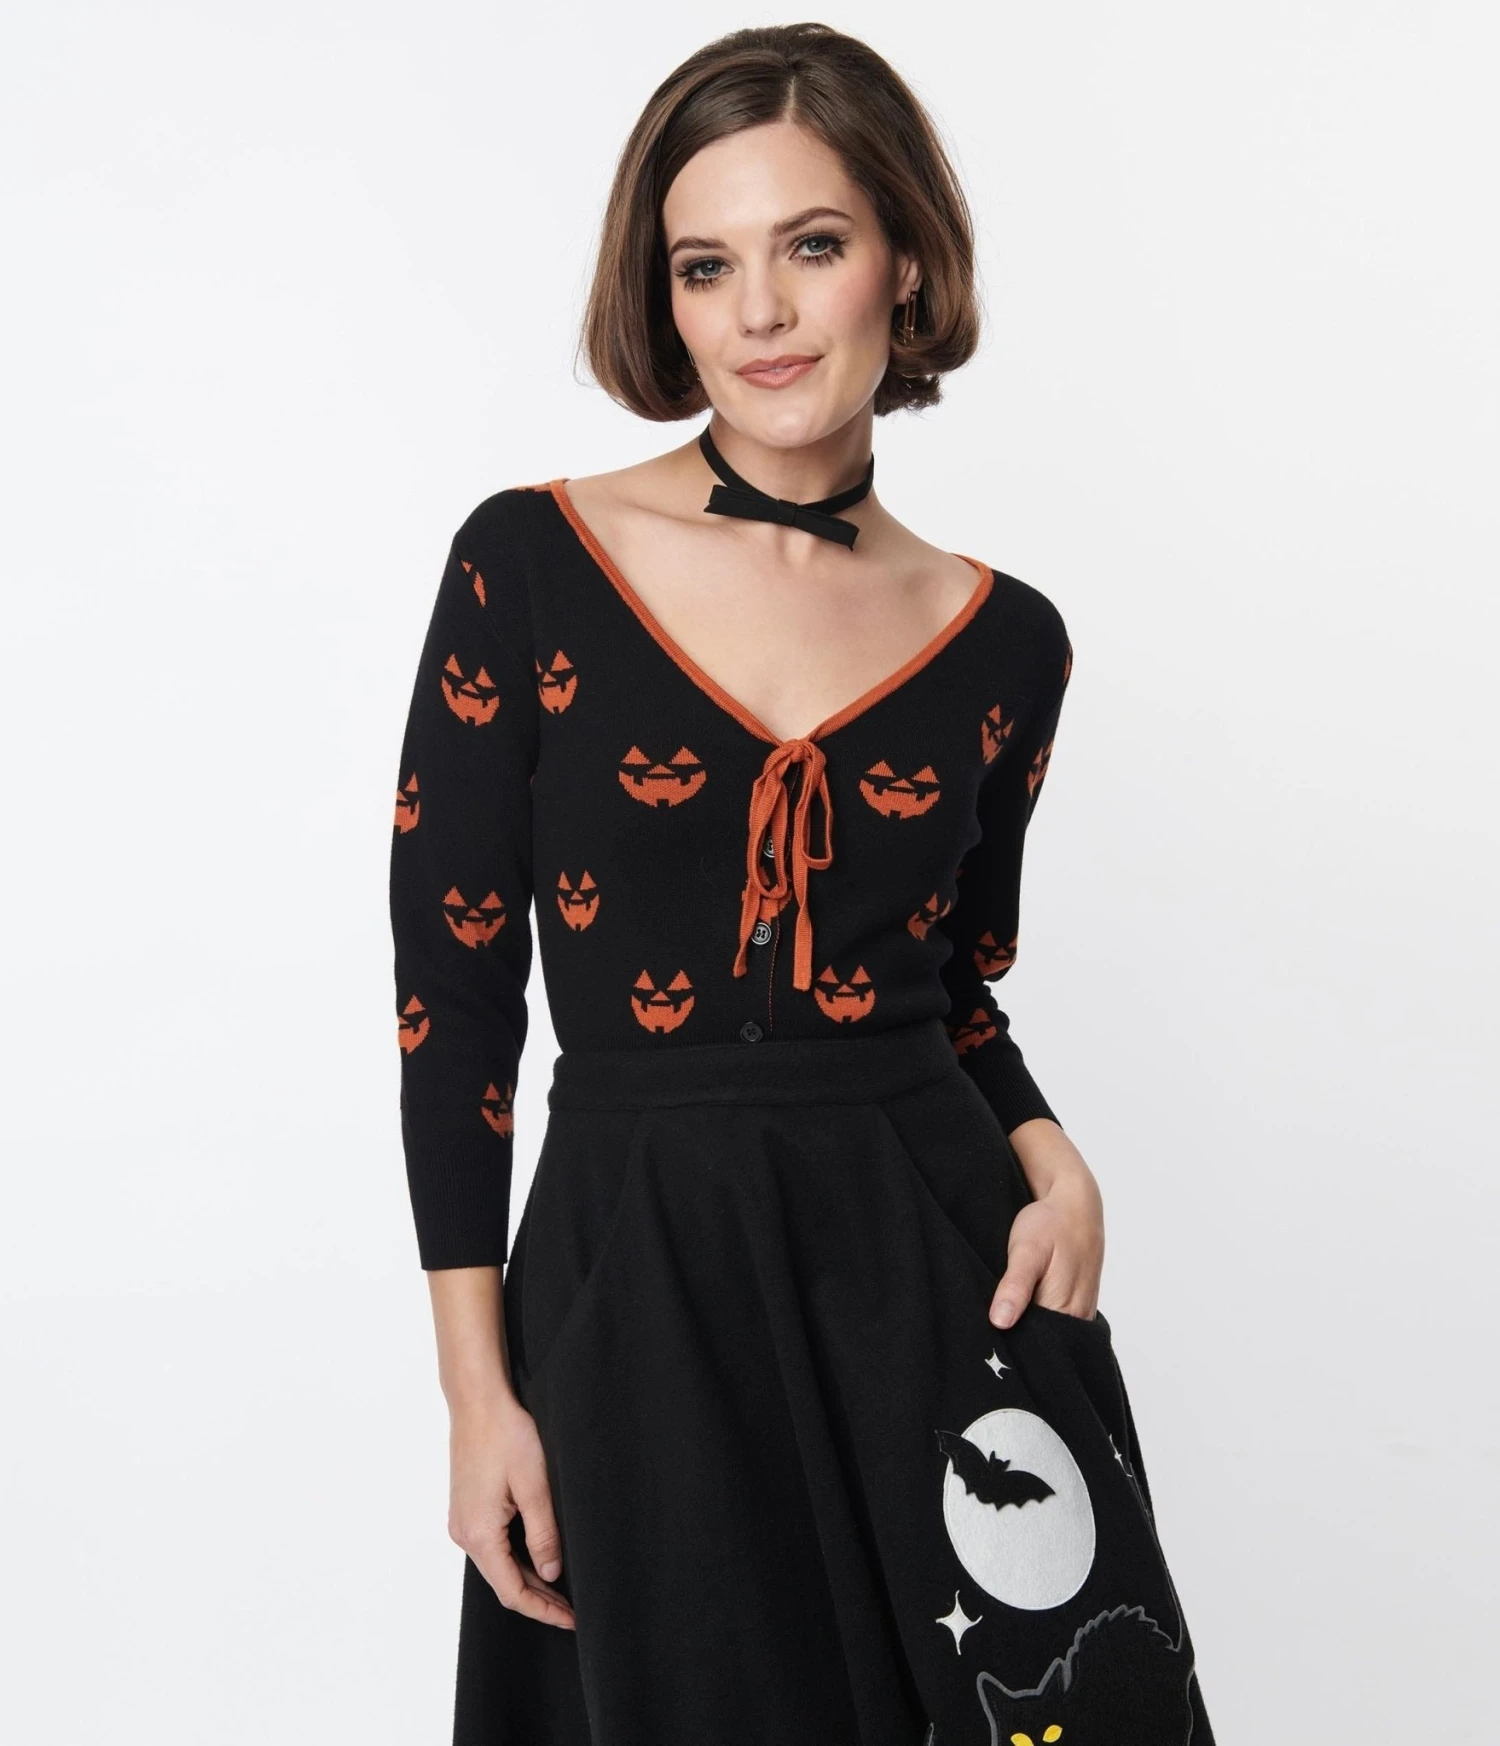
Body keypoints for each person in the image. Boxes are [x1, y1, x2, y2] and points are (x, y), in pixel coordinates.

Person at [389, 22, 1216, 1746]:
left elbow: (951, 980)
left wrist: (1048, 1147)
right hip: (639, 1278)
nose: (759, 312)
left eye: (812, 245)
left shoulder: (1007, 640)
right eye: (707, 265)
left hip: (933, 1268)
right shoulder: (527, 564)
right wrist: (478, 1392)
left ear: (903, 260)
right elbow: (453, 1003)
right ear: (665, 298)